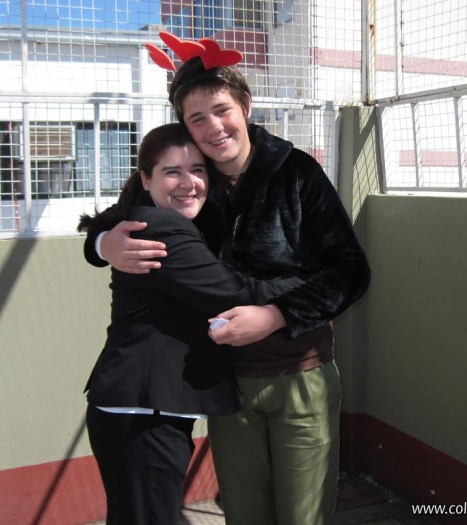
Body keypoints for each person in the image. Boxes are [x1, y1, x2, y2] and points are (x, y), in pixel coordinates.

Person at [83, 33, 371, 525]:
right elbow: (118, 217)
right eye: (197, 118)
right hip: (228, 383)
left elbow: (351, 272)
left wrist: (277, 314)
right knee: (244, 514)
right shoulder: (192, 178)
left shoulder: (296, 172)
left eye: (221, 110)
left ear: (246, 106)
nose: (213, 127)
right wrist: (102, 244)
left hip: (299, 373)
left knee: (303, 517)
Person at [78, 123, 303, 525]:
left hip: (140, 408)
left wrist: (99, 242)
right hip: (144, 410)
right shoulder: (162, 230)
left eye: (198, 170)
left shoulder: (164, 216)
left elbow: (104, 225)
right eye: (172, 171)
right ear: (146, 179)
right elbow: (237, 293)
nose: (189, 182)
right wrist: (311, 283)